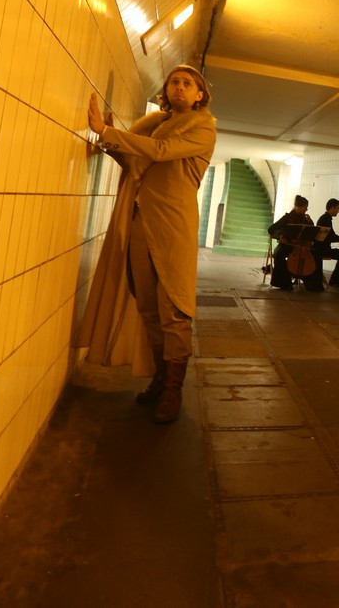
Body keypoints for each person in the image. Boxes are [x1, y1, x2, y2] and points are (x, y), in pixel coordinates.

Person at [79, 64, 216, 424]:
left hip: (174, 226)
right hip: (140, 221)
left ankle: (173, 388)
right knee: (148, 306)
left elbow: (161, 151)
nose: (179, 87)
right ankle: (160, 377)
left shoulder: (203, 128)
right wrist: (110, 142)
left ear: (200, 95)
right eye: (174, 82)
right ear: (166, 91)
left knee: (175, 307)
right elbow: (136, 164)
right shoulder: (153, 124)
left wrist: (109, 131)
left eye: (187, 84)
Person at [268, 196, 325, 292]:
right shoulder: (287, 218)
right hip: (288, 244)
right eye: (305, 207)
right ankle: (284, 283)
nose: (307, 209)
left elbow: (312, 232)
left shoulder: (306, 219)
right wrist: (280, 236)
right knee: (279, 254)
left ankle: (314, 285)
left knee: (317, 255)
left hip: (302, 247)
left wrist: (310, 222)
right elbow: (271, 229)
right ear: (298, 207)